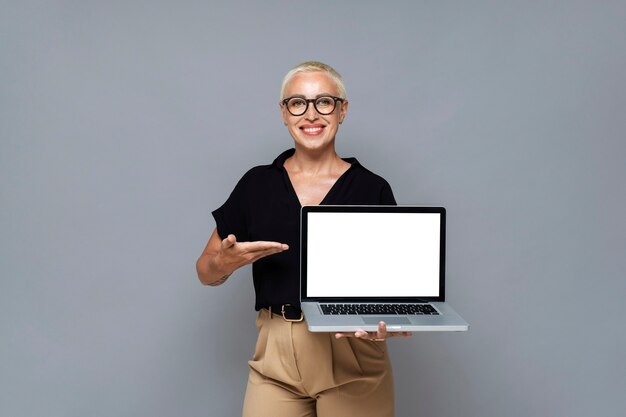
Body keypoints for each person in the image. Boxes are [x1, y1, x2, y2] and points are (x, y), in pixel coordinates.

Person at [196, 61, 410, 417]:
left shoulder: (373, 188)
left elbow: (391, 287)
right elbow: (204, 271)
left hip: (350, 354)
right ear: (283, 113)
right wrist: (223, 263)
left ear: (342, 110)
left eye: (324, 102)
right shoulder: (256, 185)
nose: (311, 114)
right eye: (297, 103)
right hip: (275, 355)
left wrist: (384, 321)